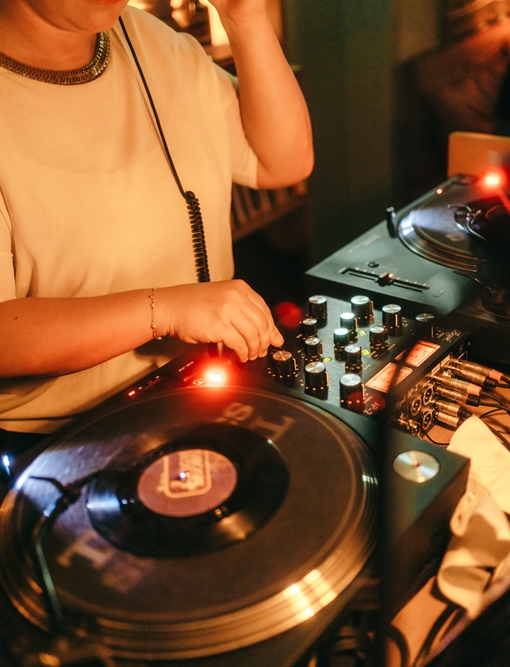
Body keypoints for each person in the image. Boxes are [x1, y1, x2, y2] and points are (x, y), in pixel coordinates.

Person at [0, 0, 313, 448]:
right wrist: (162, 309)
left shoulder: (151, 39)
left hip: (199, 392)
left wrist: (245, 18)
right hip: (65, 440)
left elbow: (282, 161)